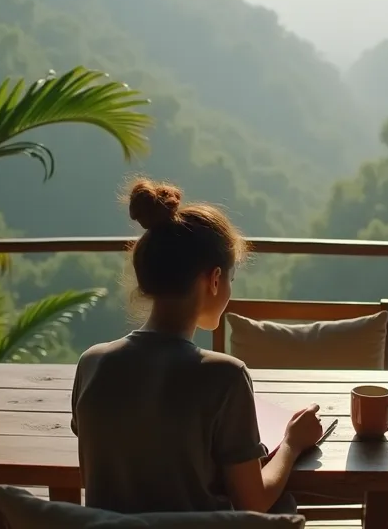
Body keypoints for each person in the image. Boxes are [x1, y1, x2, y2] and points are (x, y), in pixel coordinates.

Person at [70, 178, 323, 515]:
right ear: (214, 279)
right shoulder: (226, 376)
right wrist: (292, 442)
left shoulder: (91, 364)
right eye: (231, 280)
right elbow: (254, 502)